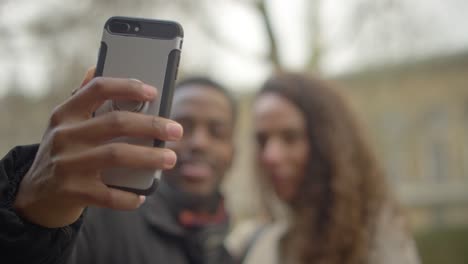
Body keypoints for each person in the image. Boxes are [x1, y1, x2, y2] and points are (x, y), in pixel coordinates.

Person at [0, 68, 236, 264]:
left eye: (217, 132)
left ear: (234, 152)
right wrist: (34, 216)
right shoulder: (96, 217)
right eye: (183, 127)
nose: (199, 143)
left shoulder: (233, 252)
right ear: (156, 134)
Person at [229, 72, 420, 264]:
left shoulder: (376, 238)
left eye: (290, 137)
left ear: (327, 144)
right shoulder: (253, 242)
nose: (271, 155)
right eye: (262, 141)